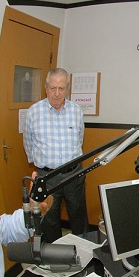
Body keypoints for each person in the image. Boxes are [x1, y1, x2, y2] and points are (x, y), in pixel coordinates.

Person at [23, 68, 89, 242]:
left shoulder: (76, 111)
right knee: (49, 220)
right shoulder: (34, 112)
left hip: (74, 174)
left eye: (61, 88)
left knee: (79, 218)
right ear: (46, 88)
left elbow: (80, 138)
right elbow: (28, 143)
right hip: (47, 176)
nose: (57, 94)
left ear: (66, 88)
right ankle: (55, 259)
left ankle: (83, 257)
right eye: (53, 88)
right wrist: (41, 165)